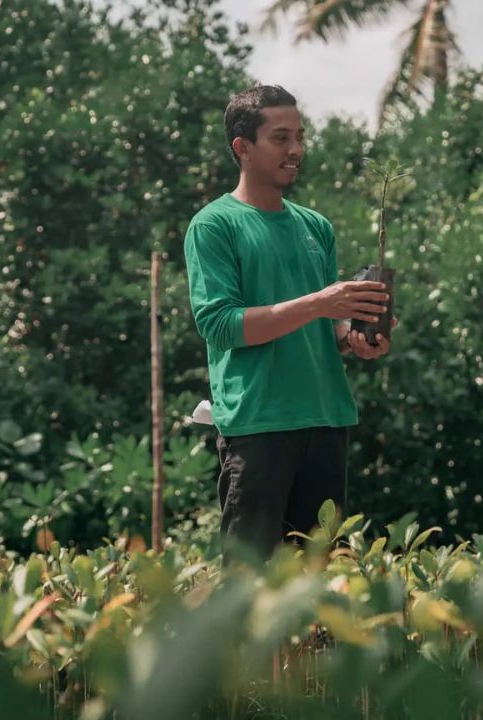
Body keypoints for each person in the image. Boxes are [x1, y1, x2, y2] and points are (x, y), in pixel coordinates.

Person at [183, 84, 397, 561]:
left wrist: (354, 338)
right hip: (259, 427)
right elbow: (220, 325)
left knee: (321, 586)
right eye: (281, 138)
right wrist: (321, 302)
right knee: (251, 589)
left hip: (325, 420)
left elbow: (326, 329)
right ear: (243, 147)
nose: (296, 149)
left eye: (300, 136)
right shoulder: (214, 225)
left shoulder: (315, 227)